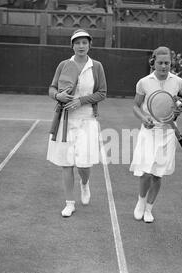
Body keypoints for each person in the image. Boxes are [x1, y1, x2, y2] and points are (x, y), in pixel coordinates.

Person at [47, 29, 107, 217]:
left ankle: (85, 183)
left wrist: (81, 101)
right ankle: (69, 203)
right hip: (66, 120)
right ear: (72, 45)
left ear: (90, 45)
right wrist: (58, 95)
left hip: (87, 119)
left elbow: (102, 93)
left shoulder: (96, 66)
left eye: (84, 42)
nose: (81, 46)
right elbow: (51, 88)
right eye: (77, 42)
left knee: (83, 165)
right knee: (67, 163)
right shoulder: (64, 64)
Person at [130, 46, 182, 223]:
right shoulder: (144, 82)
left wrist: (181, 108)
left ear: (171, 63)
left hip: (168, 133)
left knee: (157, 174)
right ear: (153, 62)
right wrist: (144, 118)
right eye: (160, 63)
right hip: (149, 131)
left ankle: (149, 208)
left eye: (167, 63)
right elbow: (135, 106)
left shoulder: (178, 81)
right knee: (146, 171)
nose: (164, 66)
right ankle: (140, 203)